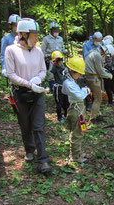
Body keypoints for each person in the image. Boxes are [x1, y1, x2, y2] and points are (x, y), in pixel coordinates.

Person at [5, 18, 51, 174]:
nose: (37, 38)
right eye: (34, 35)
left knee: (38, 126)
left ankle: (43, 160)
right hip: (20, 94)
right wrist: (27, 83)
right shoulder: (11, 50)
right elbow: (10, 74)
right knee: (25, 125)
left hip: (37, 94)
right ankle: (29, 150)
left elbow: (43, 70)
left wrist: (37, 79)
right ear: (24, 34)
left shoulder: (38, 50)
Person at [62, 57, 91, 164]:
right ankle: (74, 155)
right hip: (76, 109)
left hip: (77, 108)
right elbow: (79, 96)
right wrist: (86, 91)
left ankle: (77, 152)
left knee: (79, 131)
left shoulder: (71, 81)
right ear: (73, 72)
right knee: (77, 132)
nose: (80, 75)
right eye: (79, 73)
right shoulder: (68, 83)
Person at [84, 44, 113, 123]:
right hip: (93, 79)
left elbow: (98, 67)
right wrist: (109, 75)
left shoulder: (93, 51)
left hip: (90, 77)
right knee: (98, 98)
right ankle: (93, 118)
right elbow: (100, 71)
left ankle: (97, 114)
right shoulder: (97, 56)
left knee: (96, 97)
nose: (106, 57)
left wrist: (104, 70)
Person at [41, 21, 67, 91]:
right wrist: (46, 57)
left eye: (57, 29)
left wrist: (65, 51)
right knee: (51, 75)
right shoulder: (46, 39)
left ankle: (61, 88)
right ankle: (53, 89)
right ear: (51, 30)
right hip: (51, 60)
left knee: (61, 73)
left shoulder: (60, 39)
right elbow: (42, 51)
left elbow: (62, 48)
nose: (56, 31)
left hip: (60, 59)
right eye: (55, 29)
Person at [50, 51, 69, 122]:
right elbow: (52, 71)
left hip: (64, 87)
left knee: (66, 101)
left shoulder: (62, 66)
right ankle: (59, 116)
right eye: (58, 61)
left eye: (61, 60)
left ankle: (66, 114)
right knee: (59, 103)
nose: (60, 62)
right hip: (58, 88)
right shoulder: (54, 68)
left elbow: (63, 71)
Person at [102, 36, 114, 105]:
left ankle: (110, 101)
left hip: (109, 70)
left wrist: (103, 64)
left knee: (107, 86)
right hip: (113, 70)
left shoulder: (109, 50)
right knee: (112, 86)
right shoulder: (113, 49)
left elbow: (108, 63)